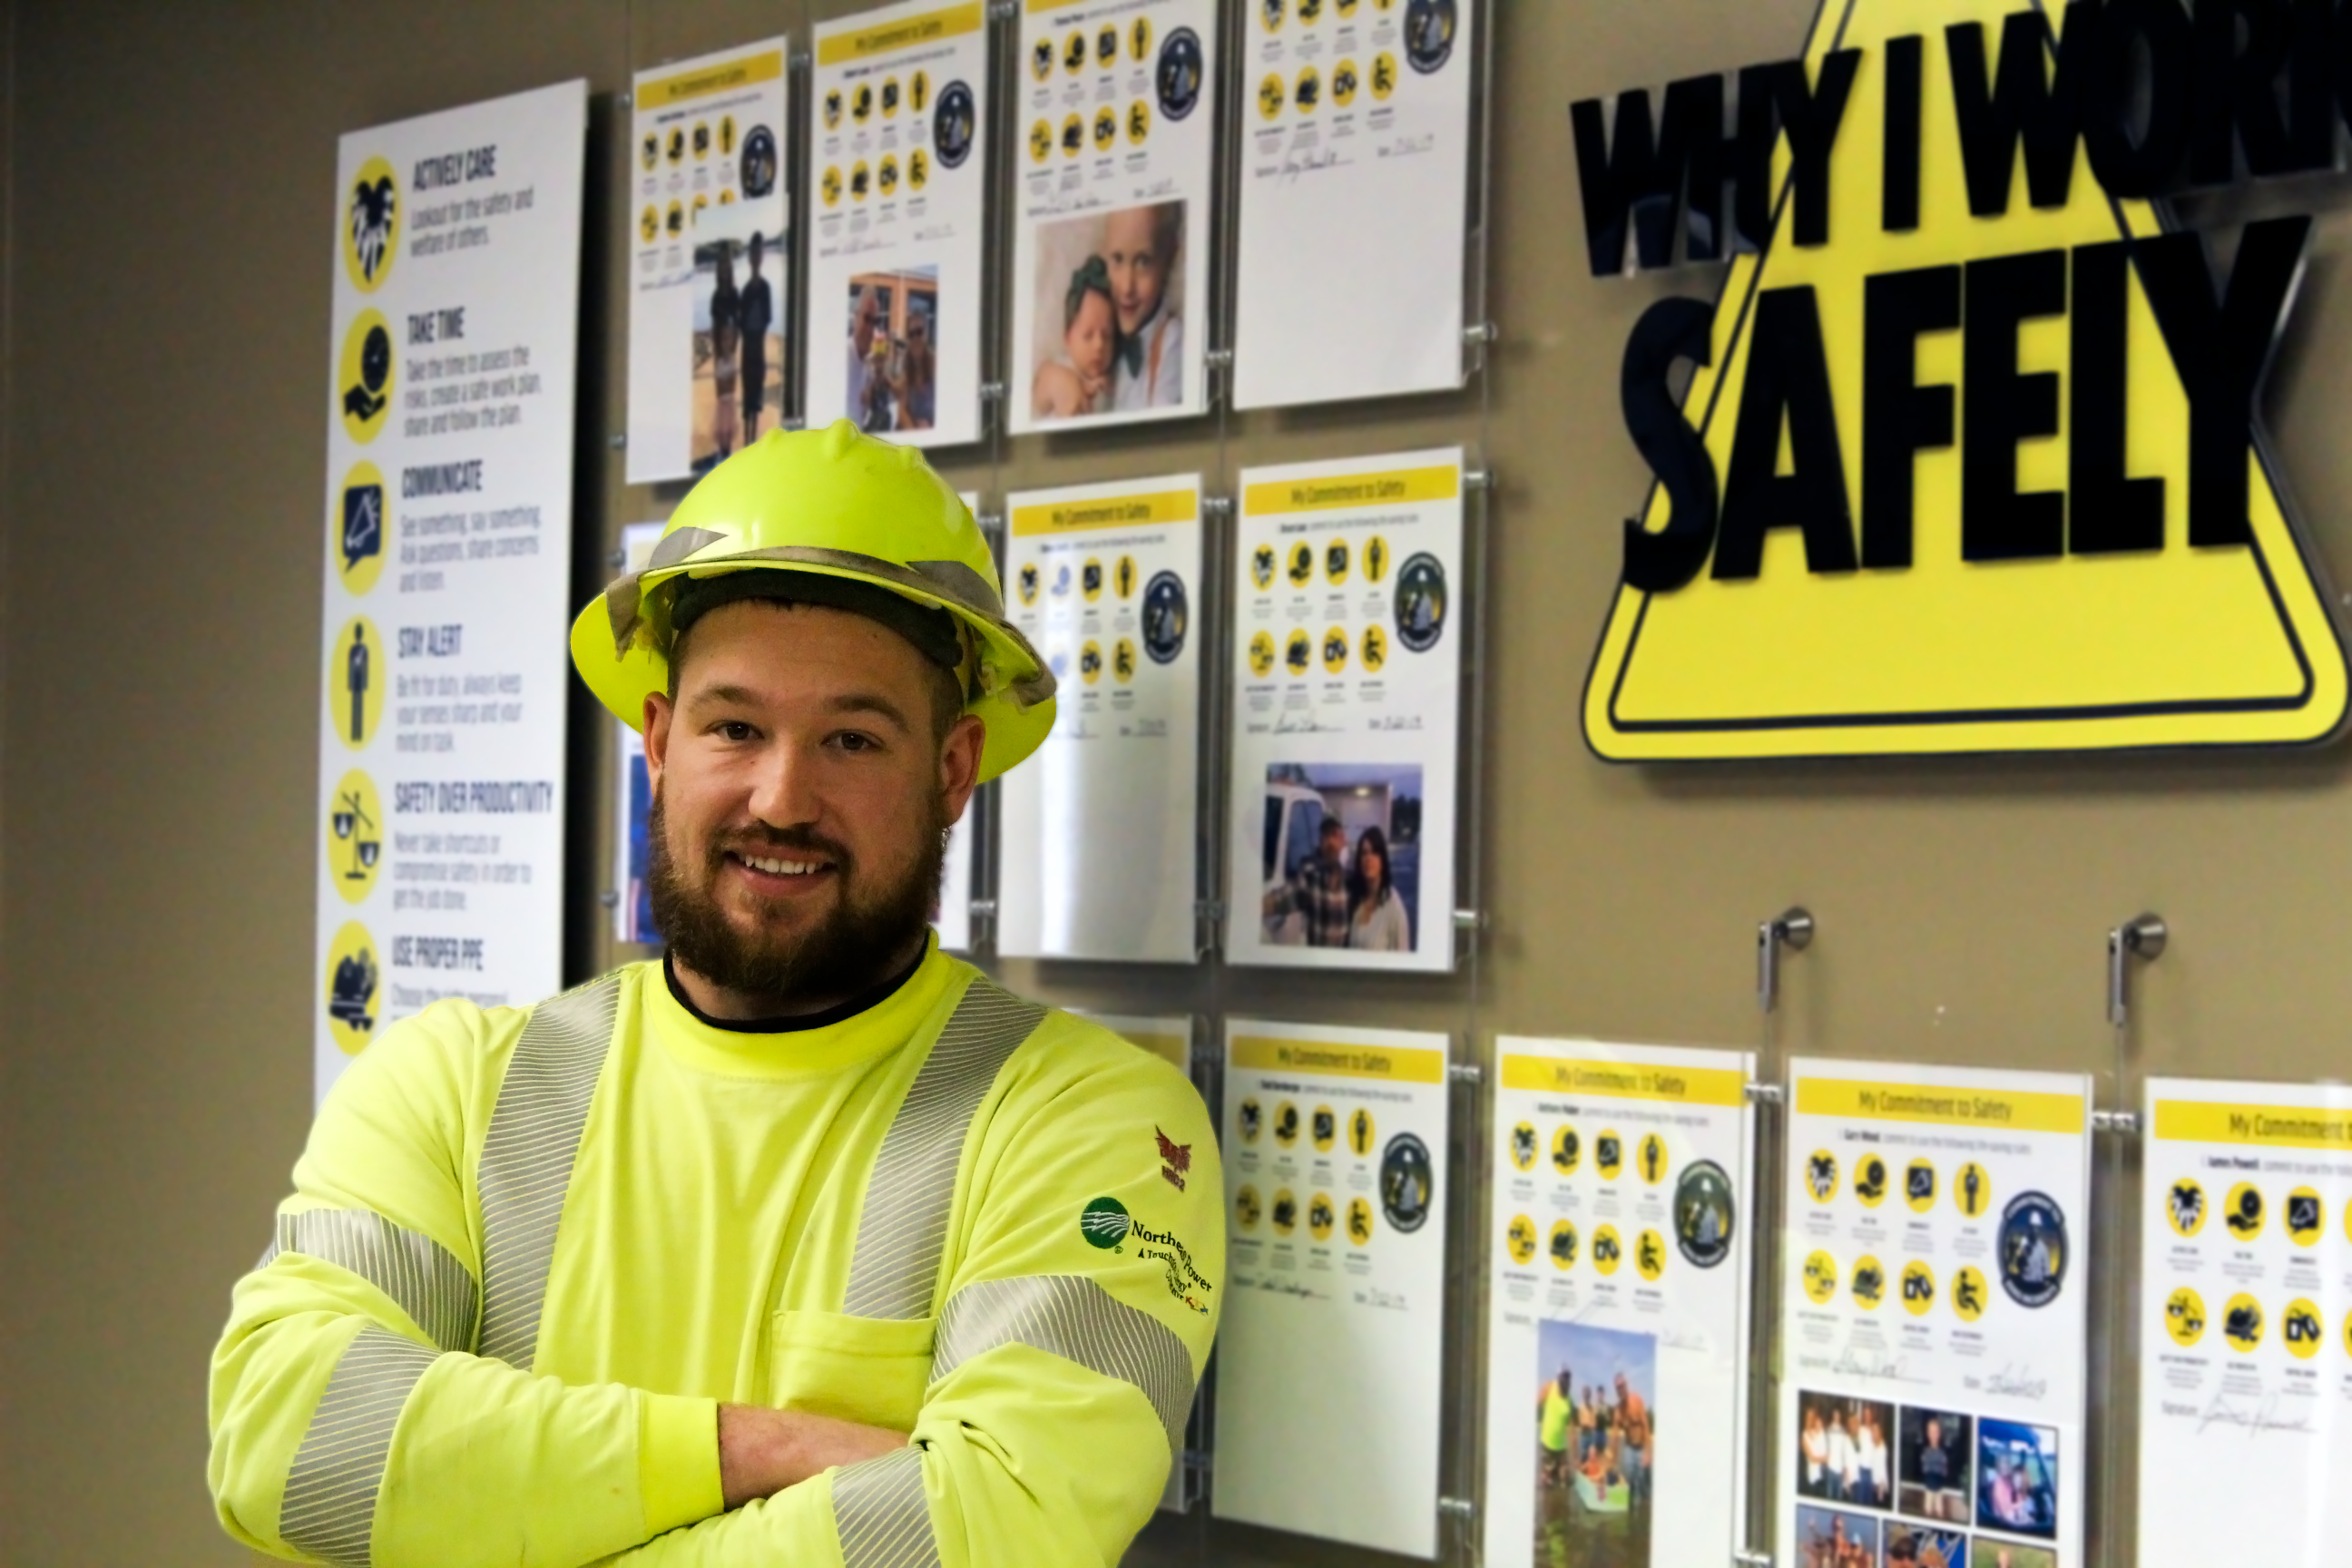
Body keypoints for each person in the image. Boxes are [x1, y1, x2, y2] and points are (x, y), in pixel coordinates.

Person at [208, 422, 1222, 1566]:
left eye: (852, 738)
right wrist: (746, 1448)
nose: (781, 799)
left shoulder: (1096, 1128)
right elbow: (283, 1443)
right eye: (734, 727)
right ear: (657, 739)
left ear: (952, 773)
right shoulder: (452, 1086)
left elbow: (988, 1537)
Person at [1105, 203, 1182, 410]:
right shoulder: (1102, 333)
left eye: (1143, 262)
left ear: (1168, 260)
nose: (1127, 286)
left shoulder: (1172, 341)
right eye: (1117, 259)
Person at [1033, 256, 1116, 419]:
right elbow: (1038, 393)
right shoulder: (1062, 365)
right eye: (1087, 335)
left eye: (1107, 336)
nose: (1099, 345)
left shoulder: (1110, 380)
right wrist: (1056, 381)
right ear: (1068, 339)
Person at [1264, 815, 1350, 946]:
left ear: (1343, 841)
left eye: (1334, 835)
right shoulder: (1311, 877)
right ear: (1320, 844)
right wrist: (1247, 908)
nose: (1330, 842)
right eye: (1325, 837)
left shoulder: (1351, 882)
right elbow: (1281, 898)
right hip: (1317, 963)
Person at [1346, 825, 1412, 952]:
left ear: (1383, 860)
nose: (1368, 858)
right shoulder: (1356, 899)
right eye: (1364, 853)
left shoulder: (1394, 907)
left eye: (1375, 853)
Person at [738, 232, 774, 441]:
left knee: (756, 397)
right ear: (750, 257)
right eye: (753, 252)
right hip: (747, 351)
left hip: (758, 350)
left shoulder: (766, 288)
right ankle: (746, 439)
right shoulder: (745, 291)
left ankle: (753, 440)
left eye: (759, 252)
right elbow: (741, 322)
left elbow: (768, 318)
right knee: (747, 396)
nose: (756, 257)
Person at [707, 248, 741, 460]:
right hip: (720, 346)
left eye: (727, 265)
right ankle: (722, 445)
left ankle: (729, 443)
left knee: (730, 394)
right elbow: (713, 325)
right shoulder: (715, 296)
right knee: (721, 396)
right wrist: (717, 350)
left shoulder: (735, 294)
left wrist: (732, 345)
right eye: (722, 265)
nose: (725, 269)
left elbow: (737, 321)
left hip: (731, 343)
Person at [1613, 1372, 1650, 1506]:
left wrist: (1647, 1452)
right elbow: (1615, 1435)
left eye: (1622, 1386)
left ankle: (1643, 1507)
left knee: (1643, 1483)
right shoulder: (1617, 1410)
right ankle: (1630, 1509)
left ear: (1626, 1385)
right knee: (1628, 1481)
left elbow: (1646, 1426)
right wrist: (1612, 1458)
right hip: (1628, 1447)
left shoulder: (1637, 1400)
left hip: (1641, 1448)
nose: (1620, 1389)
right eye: (1617, 1388)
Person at [847, 286, 880, 425]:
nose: (870, 328)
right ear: (856, 317)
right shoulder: (842, 357)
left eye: (875, 322)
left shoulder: (868, 362)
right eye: (867, 318)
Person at [1537, 1371, 1573, 1488]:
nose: (1566, 1380)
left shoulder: (1569, 1399)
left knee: (1564, 1480)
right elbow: (1536, 1403)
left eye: (1568, 1378)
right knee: (1546, 1481)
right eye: (1564, 1377)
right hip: (1547, 1443)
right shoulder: (1549, 1387)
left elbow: (1570, 1424)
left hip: (1562, 1446)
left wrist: (1574, 1449)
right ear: (1558, 1377)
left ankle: (1561, 1502)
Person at [901, 311, 936, 430]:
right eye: (911, 334)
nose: (915, 338)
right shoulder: (907, 369)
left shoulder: (936, 366)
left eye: (919, 332)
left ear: (926, 334)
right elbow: (902, 411)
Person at [1802, 1403, 1828, 1496]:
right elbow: (1812, 1458)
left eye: (1812, 1416)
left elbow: (1824, 1448)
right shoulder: (1804, 1436)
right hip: (1812, 1476)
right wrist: (1823, 1459)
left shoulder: (1818, 1431)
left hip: (1821, 1474)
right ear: (1805, 1418)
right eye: (1808, 1416)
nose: (1810, 1419)